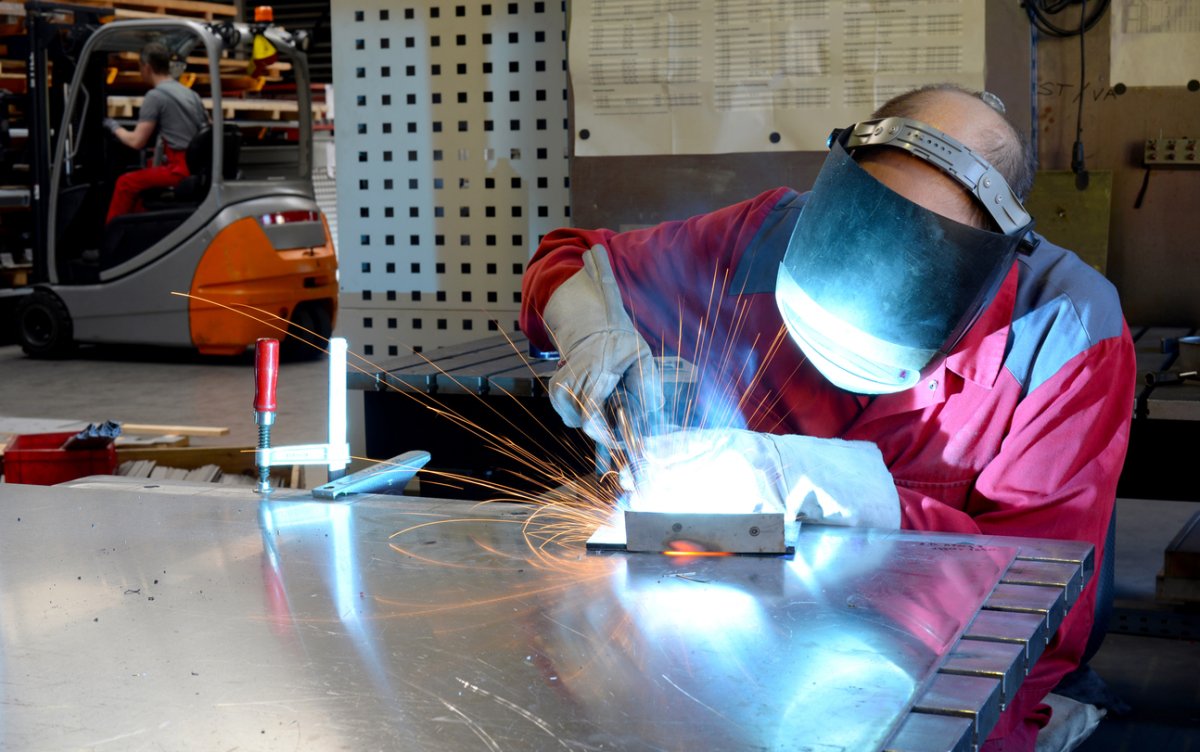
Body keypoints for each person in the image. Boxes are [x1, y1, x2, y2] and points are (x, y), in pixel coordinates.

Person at [520, 84, 1135, 751]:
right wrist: (589, 330)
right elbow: (569, 258)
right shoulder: (762, 238)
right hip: (732, 652)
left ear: (989, 253)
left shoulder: (1066, 334)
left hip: (936, 689)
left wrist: (848, 492)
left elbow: (1045, 603)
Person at [104, 42, 208, 223]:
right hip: (197, 166)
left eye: (140, 67)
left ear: (147, 67)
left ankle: (110, 238)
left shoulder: (156, 96)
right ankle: (138, 231)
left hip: (180, 169)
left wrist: (113, 126)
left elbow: (137, 141)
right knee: (145, 176)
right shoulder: (191, 94)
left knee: (125, 183)